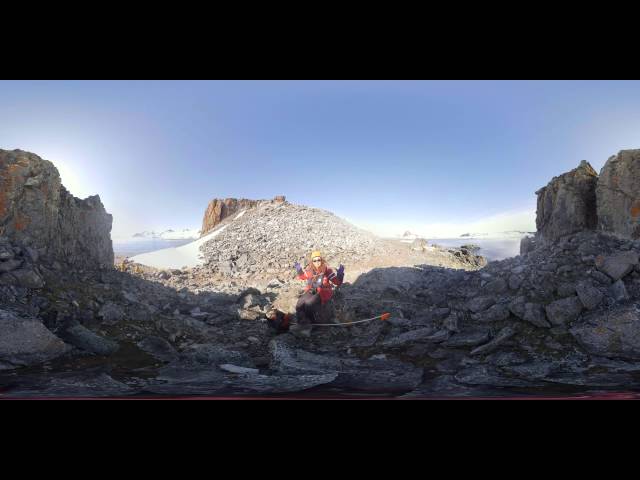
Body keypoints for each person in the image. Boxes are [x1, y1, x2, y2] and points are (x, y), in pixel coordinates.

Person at [292, 250, 344, 336]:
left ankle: (315, 324)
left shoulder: (327, 270)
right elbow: (302, 277)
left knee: (309, 304)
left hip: (323, 292)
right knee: (300, 303)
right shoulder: (310, 270)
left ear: (321, 260)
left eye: (318, 260)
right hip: (312, 290)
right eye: (314, 260)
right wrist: (299, 269)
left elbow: (337, 282)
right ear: (312, 261)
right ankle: (303, 323)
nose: (317, 262)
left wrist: (340, 274)